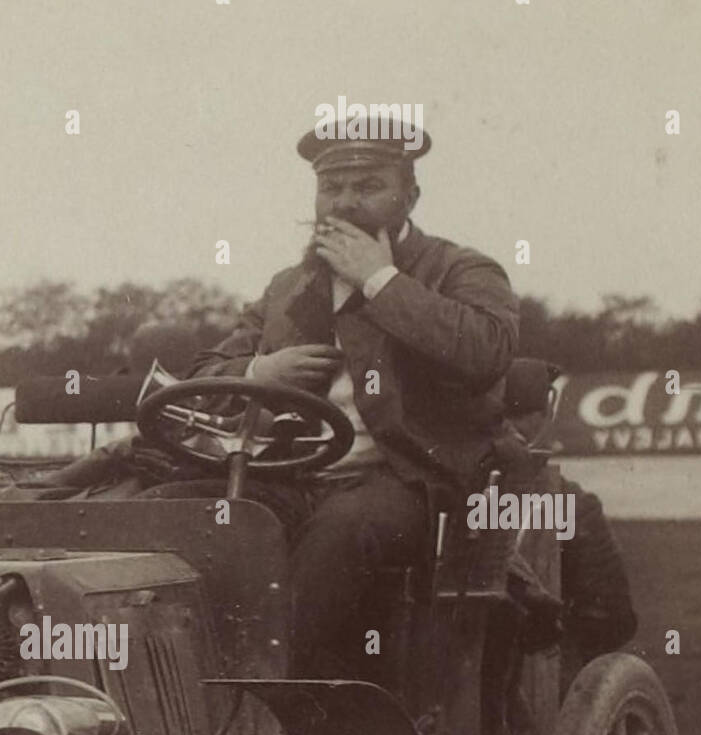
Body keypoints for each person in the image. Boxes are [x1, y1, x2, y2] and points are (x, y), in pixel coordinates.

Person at [189, 121, 526, 676]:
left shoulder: (459, 269)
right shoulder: (289, 287)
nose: (344, 203)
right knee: (182, 507)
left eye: (367, 187)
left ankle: (273, 688)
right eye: (331, 189)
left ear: (409, 196)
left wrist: (379, 280)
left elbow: (487, 353)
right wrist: (259, 370)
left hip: (416, 483)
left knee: (344, 533)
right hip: (293, 478)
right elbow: (203, 371)